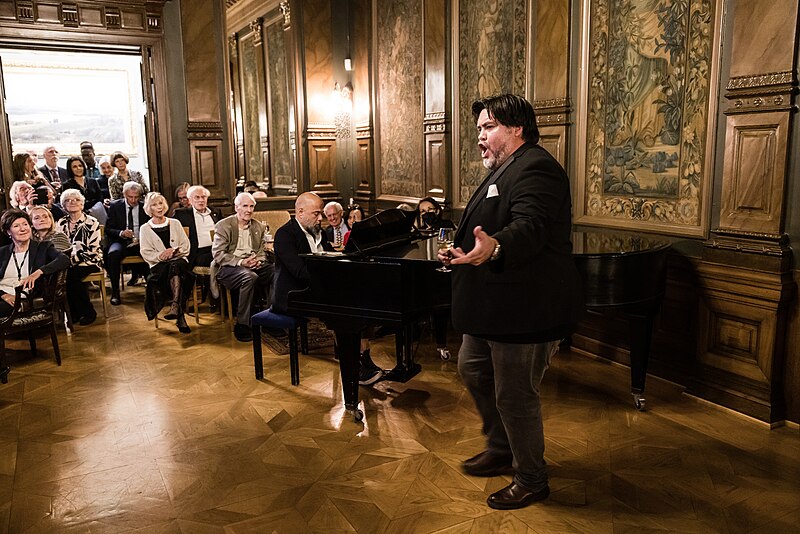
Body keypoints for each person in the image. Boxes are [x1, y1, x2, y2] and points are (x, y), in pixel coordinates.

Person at [441, 94, 583, 510]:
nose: (480, 138)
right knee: (471, 369)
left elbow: (530, 226)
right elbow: (490, 226)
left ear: (516, 128)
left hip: (524, 310)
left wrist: (496, 246)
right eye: (479, 130)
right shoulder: (504, 169)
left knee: (515, 395)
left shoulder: (536, 166)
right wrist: (464, 251)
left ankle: (532, 478)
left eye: (487, 128)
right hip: (491, 309)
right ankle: (503, 445)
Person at [273, 192, 383, 385]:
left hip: (316, 289)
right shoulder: (284, 235)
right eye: (316, 214)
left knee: (363, 298)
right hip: (293, 295)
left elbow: (331, 259)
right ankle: (354, 367)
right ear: (300, 212)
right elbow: (300, 272)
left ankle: (363, 357)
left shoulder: (319, 232)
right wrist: (331, 280)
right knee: (344, 308)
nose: (321, 218)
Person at [211, 192, 273, 342]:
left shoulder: (258, 226)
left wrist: (257, 261)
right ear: (236, 207)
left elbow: (261, 252)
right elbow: (218, 254)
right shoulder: (224, 225)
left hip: (252, 264)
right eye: (245, 206)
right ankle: (243, 324)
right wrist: (241, 262)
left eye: (251, 206)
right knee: (249, 277)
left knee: (277, 271)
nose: (249, 210)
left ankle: (271, 319)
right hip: (228, 268)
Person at [139, 192, 193, 333]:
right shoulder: (145, 229)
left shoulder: (175, 223)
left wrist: (174, 251)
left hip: (179, 261)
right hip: (159, 267)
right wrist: (162, 255)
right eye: (155, 204)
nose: (159, 207)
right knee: (174, 268)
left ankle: (175, 306)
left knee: (177, 266)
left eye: (161, 203)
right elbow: (146, 253)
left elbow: (186, 247)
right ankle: (179, 314)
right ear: (149, 208)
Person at [0, 209, 69, 317]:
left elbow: (64, 259)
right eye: (16, 226)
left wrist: (38, 272)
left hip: (23, 297)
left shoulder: (43, 247)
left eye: (25, 224)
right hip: (3, 296)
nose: (22, 229)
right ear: (8, 231)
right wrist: (3, 295)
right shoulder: (2, 252)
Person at [55, 189, 103, 326]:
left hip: (90, 259)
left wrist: (72, 261)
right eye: (68, 200)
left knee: (71, 276)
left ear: (82, 204)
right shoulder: (61, 222)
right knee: (65, 275)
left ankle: (88, 312)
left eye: (76, 200)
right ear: (63, 206)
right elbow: (58, 244)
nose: (72, 202)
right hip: (67, 261)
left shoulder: (91, 222)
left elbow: (92, 248)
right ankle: (74, 313)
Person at [105, 181, 151, 305]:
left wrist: (142, 237)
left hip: (141, 241)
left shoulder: (144, 207)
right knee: (113, 254)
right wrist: (121, 233)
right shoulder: (115, 206)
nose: (133, 200)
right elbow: (108, 229)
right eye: (130, 197)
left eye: (136, 197)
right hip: (121, 241)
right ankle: (115, 292)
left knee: (151, 252)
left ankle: (152, 290)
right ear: (124, 195)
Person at [60, 156, 106, 224]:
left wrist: (91, 209)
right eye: (74, 167)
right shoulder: (66, 185)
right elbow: (67, 203)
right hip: (77, 217)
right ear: (70, 169)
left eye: (80, 165)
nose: (78, 168)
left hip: (96, 214)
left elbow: (100, 198)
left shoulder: (93, 181)